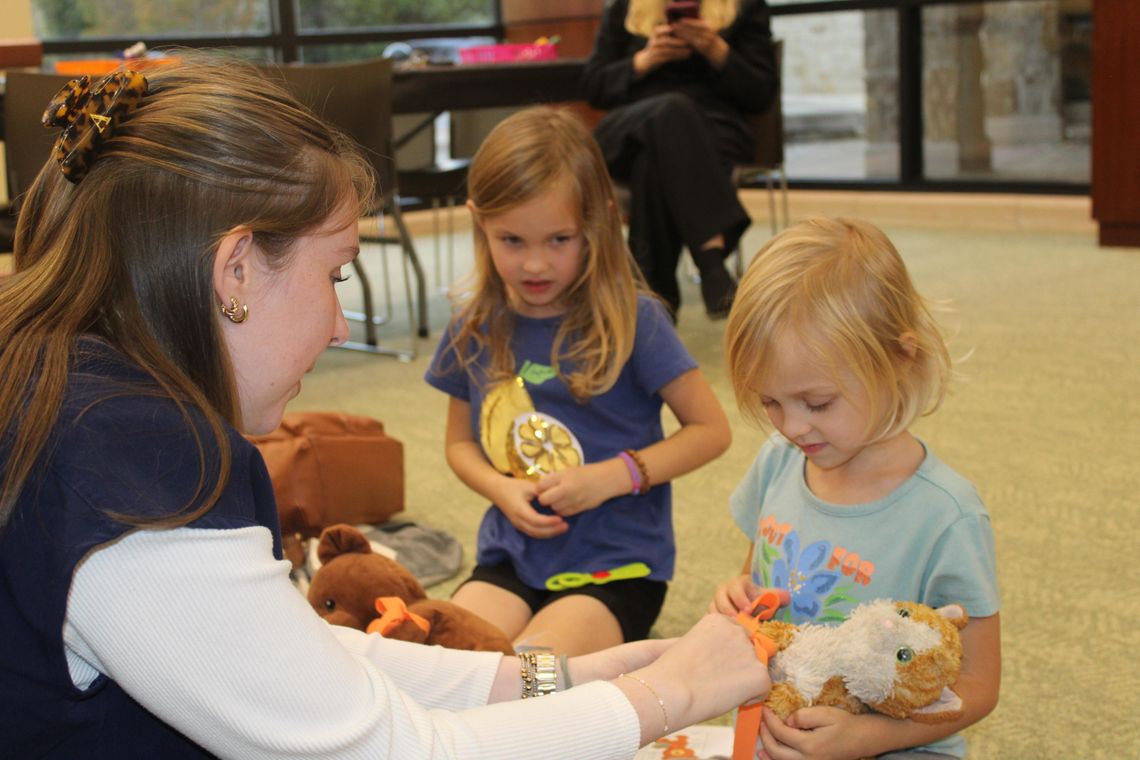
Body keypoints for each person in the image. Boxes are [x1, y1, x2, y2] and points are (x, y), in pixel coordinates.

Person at [0, 56, 771, 758]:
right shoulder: (143, 466)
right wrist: (673, 693)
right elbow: (395, 750)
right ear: (235, 269)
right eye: (337, 274)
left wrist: (567, 679)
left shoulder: (81, 397)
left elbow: (306, 656)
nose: (340, 324)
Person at [425, 106, 732, 657]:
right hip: (510, 559)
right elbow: (459, 444)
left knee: (534, 674)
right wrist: (500, 489)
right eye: (511, 240)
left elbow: (711, 430)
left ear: (599, 220)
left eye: (559, 239)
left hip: (616, 571)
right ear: (480, 223)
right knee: (446, 658)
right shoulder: (473, 327)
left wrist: (616, 476)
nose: (535, 264)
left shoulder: (637, 320)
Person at [711, 218, 1001, 759]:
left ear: (898, 360)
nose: (792, 427)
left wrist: (867, 737)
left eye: (817, 403)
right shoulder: (779, 462)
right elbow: (758, 577)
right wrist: (738, 597)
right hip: (775, 731)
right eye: (770, 402)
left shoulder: (947, 515)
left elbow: (980, 686)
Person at [580, 0, 778, 320]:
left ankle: (656, 302)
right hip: (628, 131)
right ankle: (711, 260)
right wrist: (645, 60)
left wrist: (716, 50)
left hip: (711, 134)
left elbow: (761, 94)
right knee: (670, 110)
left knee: (654, 160)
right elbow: (593, 86)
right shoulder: (622, 7)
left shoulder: (746, 7)